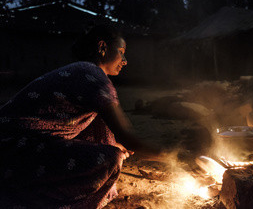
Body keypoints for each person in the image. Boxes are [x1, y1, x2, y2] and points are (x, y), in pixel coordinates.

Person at [0, 24, 163, 209]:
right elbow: (128, 137)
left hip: (20, 146)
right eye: (121, 52)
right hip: (12, 151)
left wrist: (113, 145)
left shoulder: (84, 71)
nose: (124, 60)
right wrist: (176, 157)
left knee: (100, 118)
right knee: (111, 159)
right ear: (102, 47)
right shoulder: (91, 75)